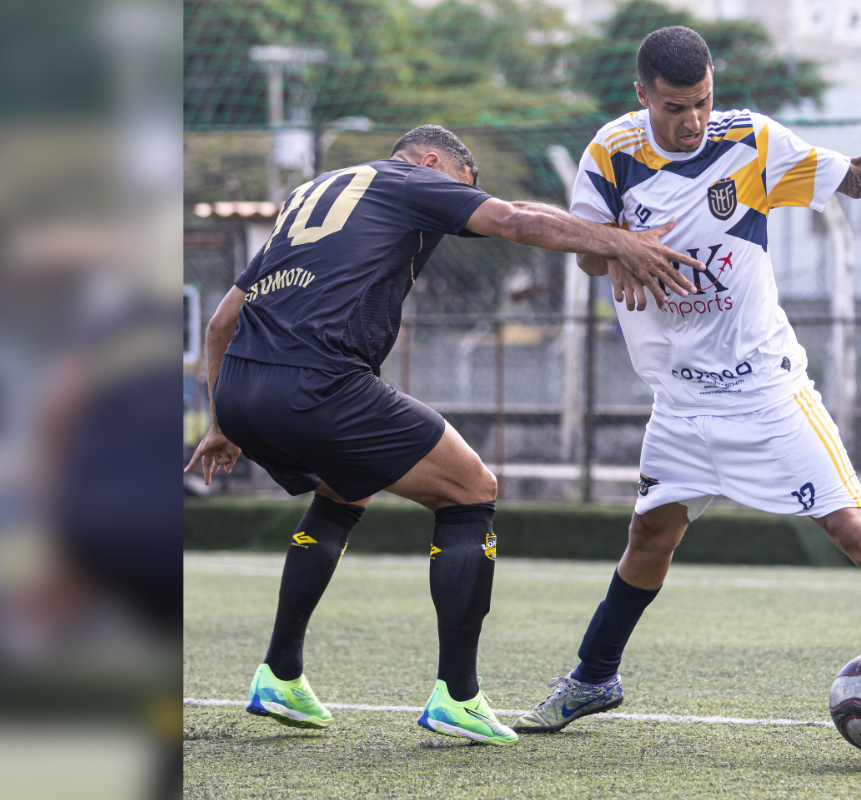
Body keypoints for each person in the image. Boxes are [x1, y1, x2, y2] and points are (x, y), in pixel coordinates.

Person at [513, 27, 861, 740]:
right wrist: (616, 246)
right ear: (642, 95)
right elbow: (582, 249)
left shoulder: (754, 142)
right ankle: (593, 679)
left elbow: (858, 178)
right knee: (649, 537)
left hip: (769, 391)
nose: (693, 120)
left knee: (853, 526)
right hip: (681, 398)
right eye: (675, 106)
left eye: (703, 101)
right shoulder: (610, 152)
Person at [185, 124, 702, 745]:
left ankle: (280, 674)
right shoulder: (412, 181)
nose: (464, 204)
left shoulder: (319, 192)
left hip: (242, 392)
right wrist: (625, 246)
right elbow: (512, 220)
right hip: (317, 386)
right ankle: (457, 695)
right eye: (465, 188)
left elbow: (221, 322)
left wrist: (220, 421)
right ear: (432, 162)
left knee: (343, 491)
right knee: (470, 488)